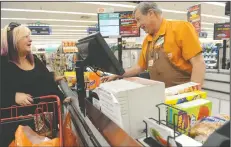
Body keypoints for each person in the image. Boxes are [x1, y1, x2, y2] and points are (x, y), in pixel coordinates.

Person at [102, 2, 205, 88]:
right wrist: (118, 74)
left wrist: (194, 94)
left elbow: (198, 63)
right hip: (160, 96)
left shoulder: (181, 28)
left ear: (151, 13)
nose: (138, 25)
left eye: (139, 19)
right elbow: (139, 67)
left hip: (183, 96)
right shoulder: (148, 40)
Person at [1, 22, 70, 108]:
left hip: (42, 115)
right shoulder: (3, 64)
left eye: (29, 36)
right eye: (25, 37)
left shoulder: (34, 60)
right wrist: (12, 96)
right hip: (19, 118)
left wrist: (61, 97)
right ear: (13, 41)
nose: (30, 40)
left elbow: (48, 81)